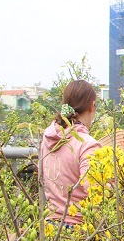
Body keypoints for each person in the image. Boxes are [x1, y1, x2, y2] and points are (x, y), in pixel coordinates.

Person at [39, 80, 102, 227]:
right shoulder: (88, 145)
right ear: (92, 105)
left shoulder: (48, 139)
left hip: (50, 227)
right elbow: (96, 190)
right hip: (78, 232)